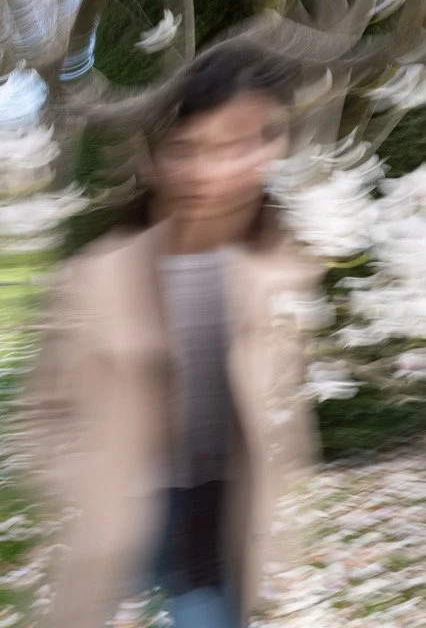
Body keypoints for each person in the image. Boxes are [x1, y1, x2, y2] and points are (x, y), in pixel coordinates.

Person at [29, 41, 324, 628]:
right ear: (157, 156)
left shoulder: (286, 272)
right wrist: (84, 484)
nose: (212, 170)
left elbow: (285, 396)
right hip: (121, 513)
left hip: (222, 517)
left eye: (240, 142)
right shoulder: (93, 279)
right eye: (190, 147)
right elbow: (41, 412)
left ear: (274, 144)